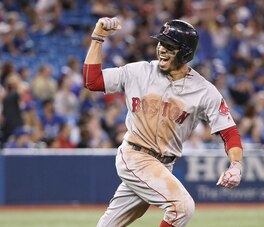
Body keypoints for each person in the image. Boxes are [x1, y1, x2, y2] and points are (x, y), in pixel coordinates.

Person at [83, 17, 243, 227]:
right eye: (161, 43)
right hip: (135, 154)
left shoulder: (204, 91)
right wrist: (98, 37)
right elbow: (92, 81)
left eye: (170, 46)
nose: (162, 50)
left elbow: (229, 132)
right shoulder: (139, 71)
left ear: (185, 53)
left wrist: (236, 165)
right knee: (182, 207)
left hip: (163, 164)